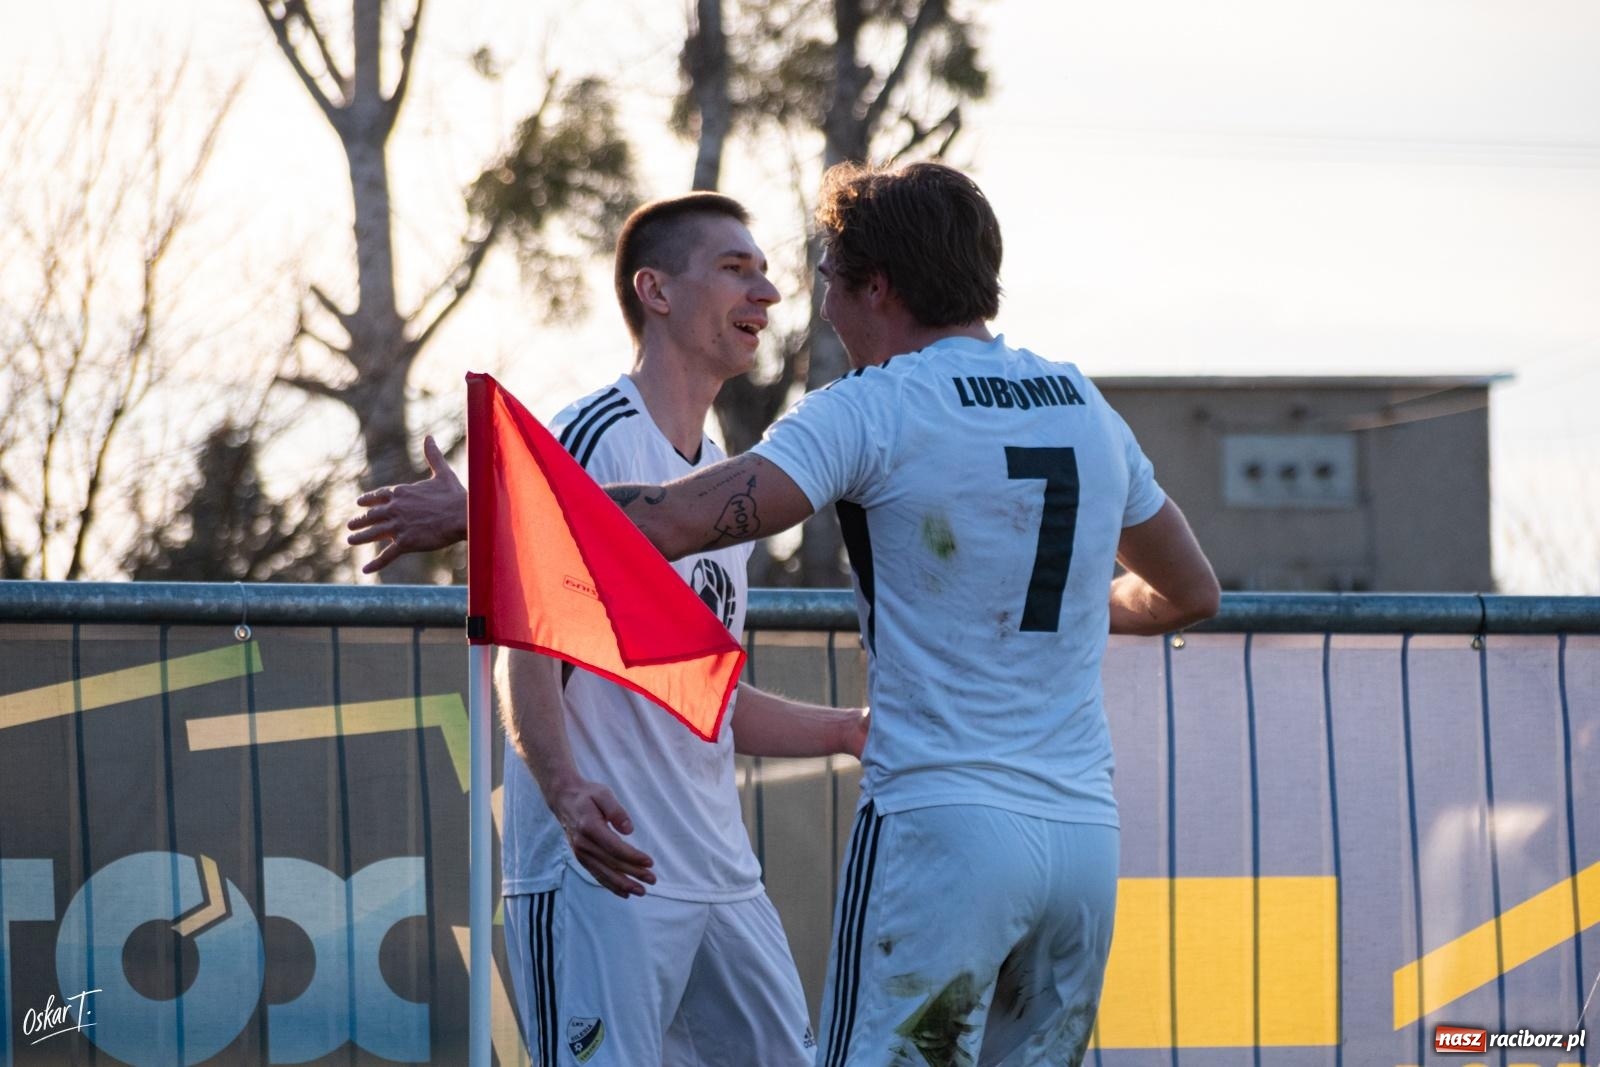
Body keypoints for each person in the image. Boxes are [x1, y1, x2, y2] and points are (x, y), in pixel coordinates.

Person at [587, 162, 1220, 1066]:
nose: (822, 307)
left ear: (875, 286)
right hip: (1082, 837)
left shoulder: (873, 406)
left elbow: (682, 518)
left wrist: (496, 503)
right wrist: (1075, 605)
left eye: (829, 280)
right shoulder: (1083, 402)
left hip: (942, 828)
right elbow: (1192, 592)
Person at [348, 193, 867, 1067]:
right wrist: (565, 789)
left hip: (719, 874)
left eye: (766, 270)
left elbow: (710, 696)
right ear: (655, 291)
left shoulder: (717, 481)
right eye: (736, 268)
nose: (769, 292)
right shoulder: (596, 434)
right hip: (605, 873)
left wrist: (847, 730)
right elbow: (531, 645)